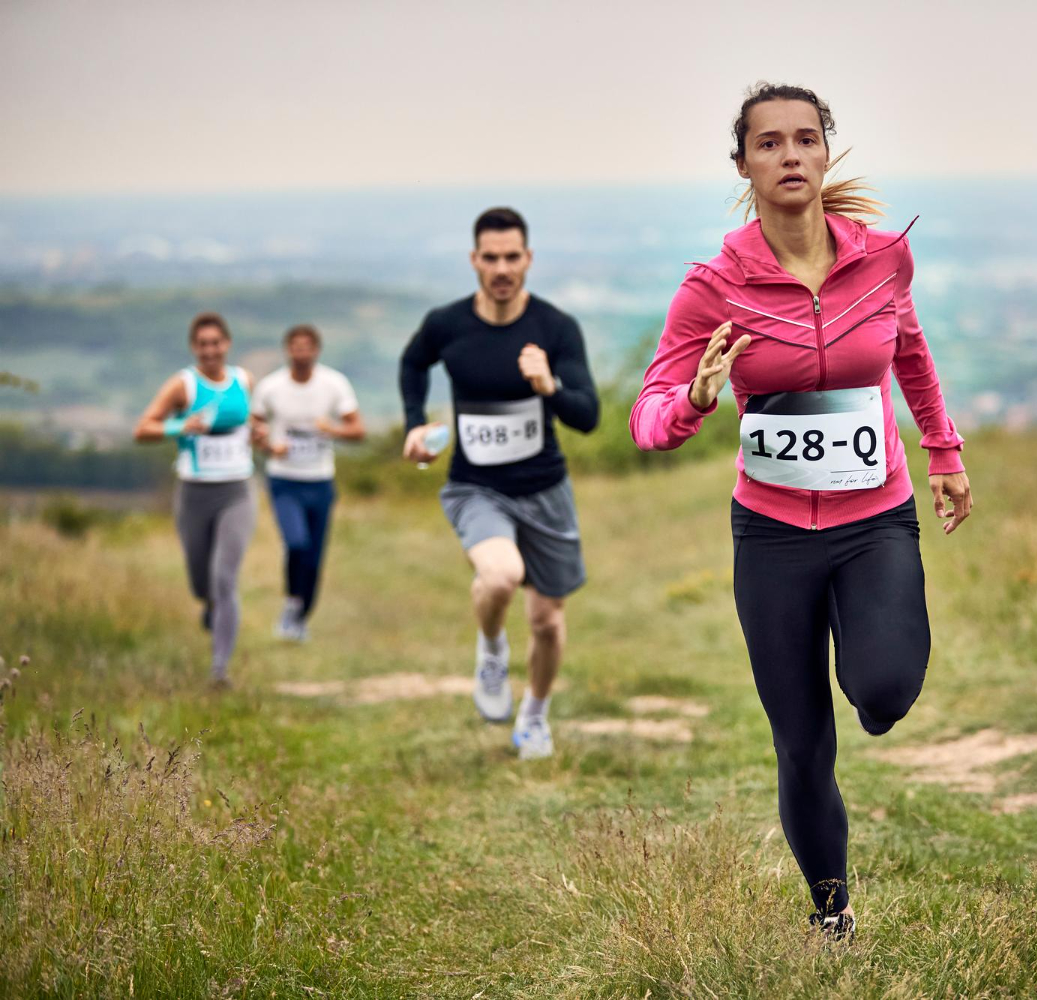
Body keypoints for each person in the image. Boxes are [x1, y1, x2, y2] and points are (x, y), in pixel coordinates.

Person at [631, 83, 973, 939]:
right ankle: (831, 910)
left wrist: (943, 451)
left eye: (804, 139)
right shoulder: (714, 285)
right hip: (774, 535)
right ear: (742, 164)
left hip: (874, 518)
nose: (789, 154)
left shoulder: (883, 257)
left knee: (883, 692)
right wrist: (694, 401)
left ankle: (874, 682)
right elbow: (650, 410)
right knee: (802, 743)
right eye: (769, 143)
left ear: (826, 153)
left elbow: (911, 353)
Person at [400, 207, 599, 760]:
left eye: (512, 257)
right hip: (475, 488)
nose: (502, 268)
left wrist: (548, 385)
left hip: (545, 491)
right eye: (491, 258)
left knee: (548, 622)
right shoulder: (448, 324)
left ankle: (534, 715)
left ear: (528, 259)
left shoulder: (555, 329)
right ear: (474, 261)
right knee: (500, 575)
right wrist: (415, 420)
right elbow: (413, 362)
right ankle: (491, 649)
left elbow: (588, 416)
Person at [133, 311, 260, 686]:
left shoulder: (244, 380)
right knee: (200, 582)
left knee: (225, 578)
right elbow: (143, 429)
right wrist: (179, 425)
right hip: (194, 494)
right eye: (203, 344)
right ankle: (209, 604)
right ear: (194, 347)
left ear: (227, 344)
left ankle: (219, 670)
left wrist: (261, 433)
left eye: (216, 343)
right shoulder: (182, 386)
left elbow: (256, 422)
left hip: (237, 490)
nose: (210, 350)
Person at [250, 324, 365, 642]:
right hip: (284, 479)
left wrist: (331, 429)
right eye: (295, 347)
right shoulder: (271, 387)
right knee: (296, 543)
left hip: (320, 480)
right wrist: (268, 446)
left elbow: (358, 431)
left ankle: (301, 616)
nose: (301, 353)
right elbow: (254, 428)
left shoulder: (333, 384)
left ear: (316, 350)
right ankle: (291, 603)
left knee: (314, 556)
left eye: (307, 347)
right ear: (287, 350)